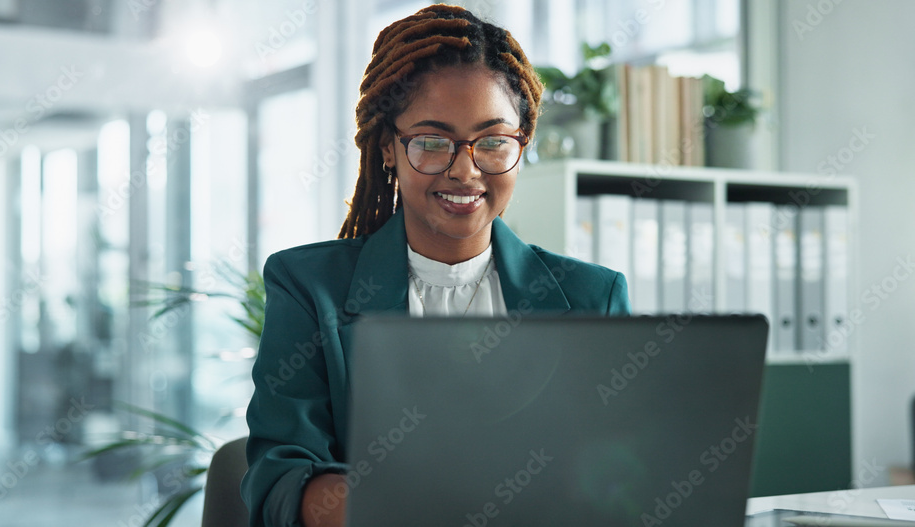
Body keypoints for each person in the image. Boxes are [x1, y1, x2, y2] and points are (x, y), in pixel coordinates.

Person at [241, 4, 630, 526]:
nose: (465, 170)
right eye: (432, 142)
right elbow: (279, 479)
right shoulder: (310, 288)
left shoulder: (591, 297)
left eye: (493, 142)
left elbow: (620, 480)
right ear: (387, 148)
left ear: (521, 144)